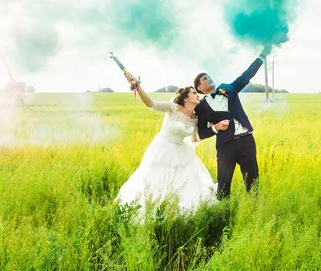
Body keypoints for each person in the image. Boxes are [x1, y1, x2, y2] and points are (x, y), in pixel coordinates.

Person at [116, 74, 226, 211]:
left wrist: (216, 127)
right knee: (157, 180)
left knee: (186, 182)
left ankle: (180, 208)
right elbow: (151, 103)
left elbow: (195, 138)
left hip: (182, 151)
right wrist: (137, 86)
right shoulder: (173, 108)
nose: (198, 95)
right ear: (186, 99)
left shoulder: (195, 118)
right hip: (163, 148)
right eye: (194, 93)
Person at [193, 45, 271, 199]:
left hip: (246, 140)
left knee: (253, 182)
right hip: (225, 145)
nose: (209, 78)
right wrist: (215, 127)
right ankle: (223, 215)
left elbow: (247, 75)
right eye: (205, 78)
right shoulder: (200, 107)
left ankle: (253, 211)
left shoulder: (229, 88)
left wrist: (262, 55)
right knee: (223, 186)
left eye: (209, 76)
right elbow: (201, 133)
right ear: (200, 87)